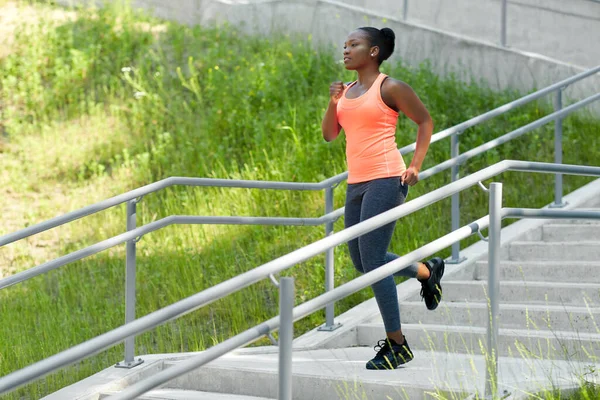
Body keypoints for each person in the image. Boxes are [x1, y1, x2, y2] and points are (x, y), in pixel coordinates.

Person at [321, 26, 445, 370]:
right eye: (344, 45)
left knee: (373, 261)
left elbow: (424, 121)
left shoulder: (390, 87)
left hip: (387, 178)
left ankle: (397, 344)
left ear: (373, 52)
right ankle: (425, 271)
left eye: (354, 45)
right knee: (362, 263)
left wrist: (415, 165)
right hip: (356, 183)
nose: (346, 50)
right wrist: (333, 104)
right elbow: (331, 135)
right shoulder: (344, 92)